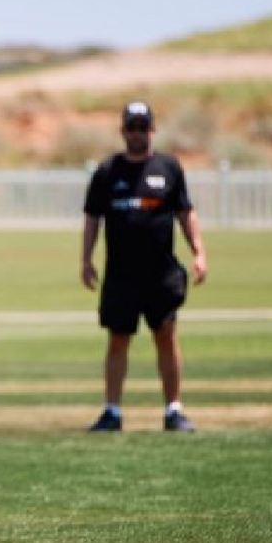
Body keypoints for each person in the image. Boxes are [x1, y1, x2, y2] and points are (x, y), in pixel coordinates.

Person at [80, 101, 207, 432]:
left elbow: (184, 212)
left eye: (142, 126)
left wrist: (199, 251)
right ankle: (112, 412)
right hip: (121, 274)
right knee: (118, 339)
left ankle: (174, 410)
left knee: (166, 335)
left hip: (160, 273)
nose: (137, 133)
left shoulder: (169, 168)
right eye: (131, 127)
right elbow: (93, 217)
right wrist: (86, 259)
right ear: (123, 131)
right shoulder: (107, 172)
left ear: (152, 129)